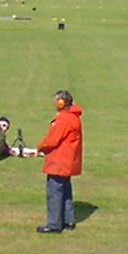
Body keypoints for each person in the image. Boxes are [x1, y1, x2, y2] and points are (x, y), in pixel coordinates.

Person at [35, 89, 83, 233]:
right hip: (68, 161)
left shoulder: (64, 119)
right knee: (66, 191)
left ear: (61, 103)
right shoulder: (74, 117)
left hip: (59, 162)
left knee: (55, 193)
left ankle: (54, 225)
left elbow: (52, 140)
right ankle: (68, 220)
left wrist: (39, 148)